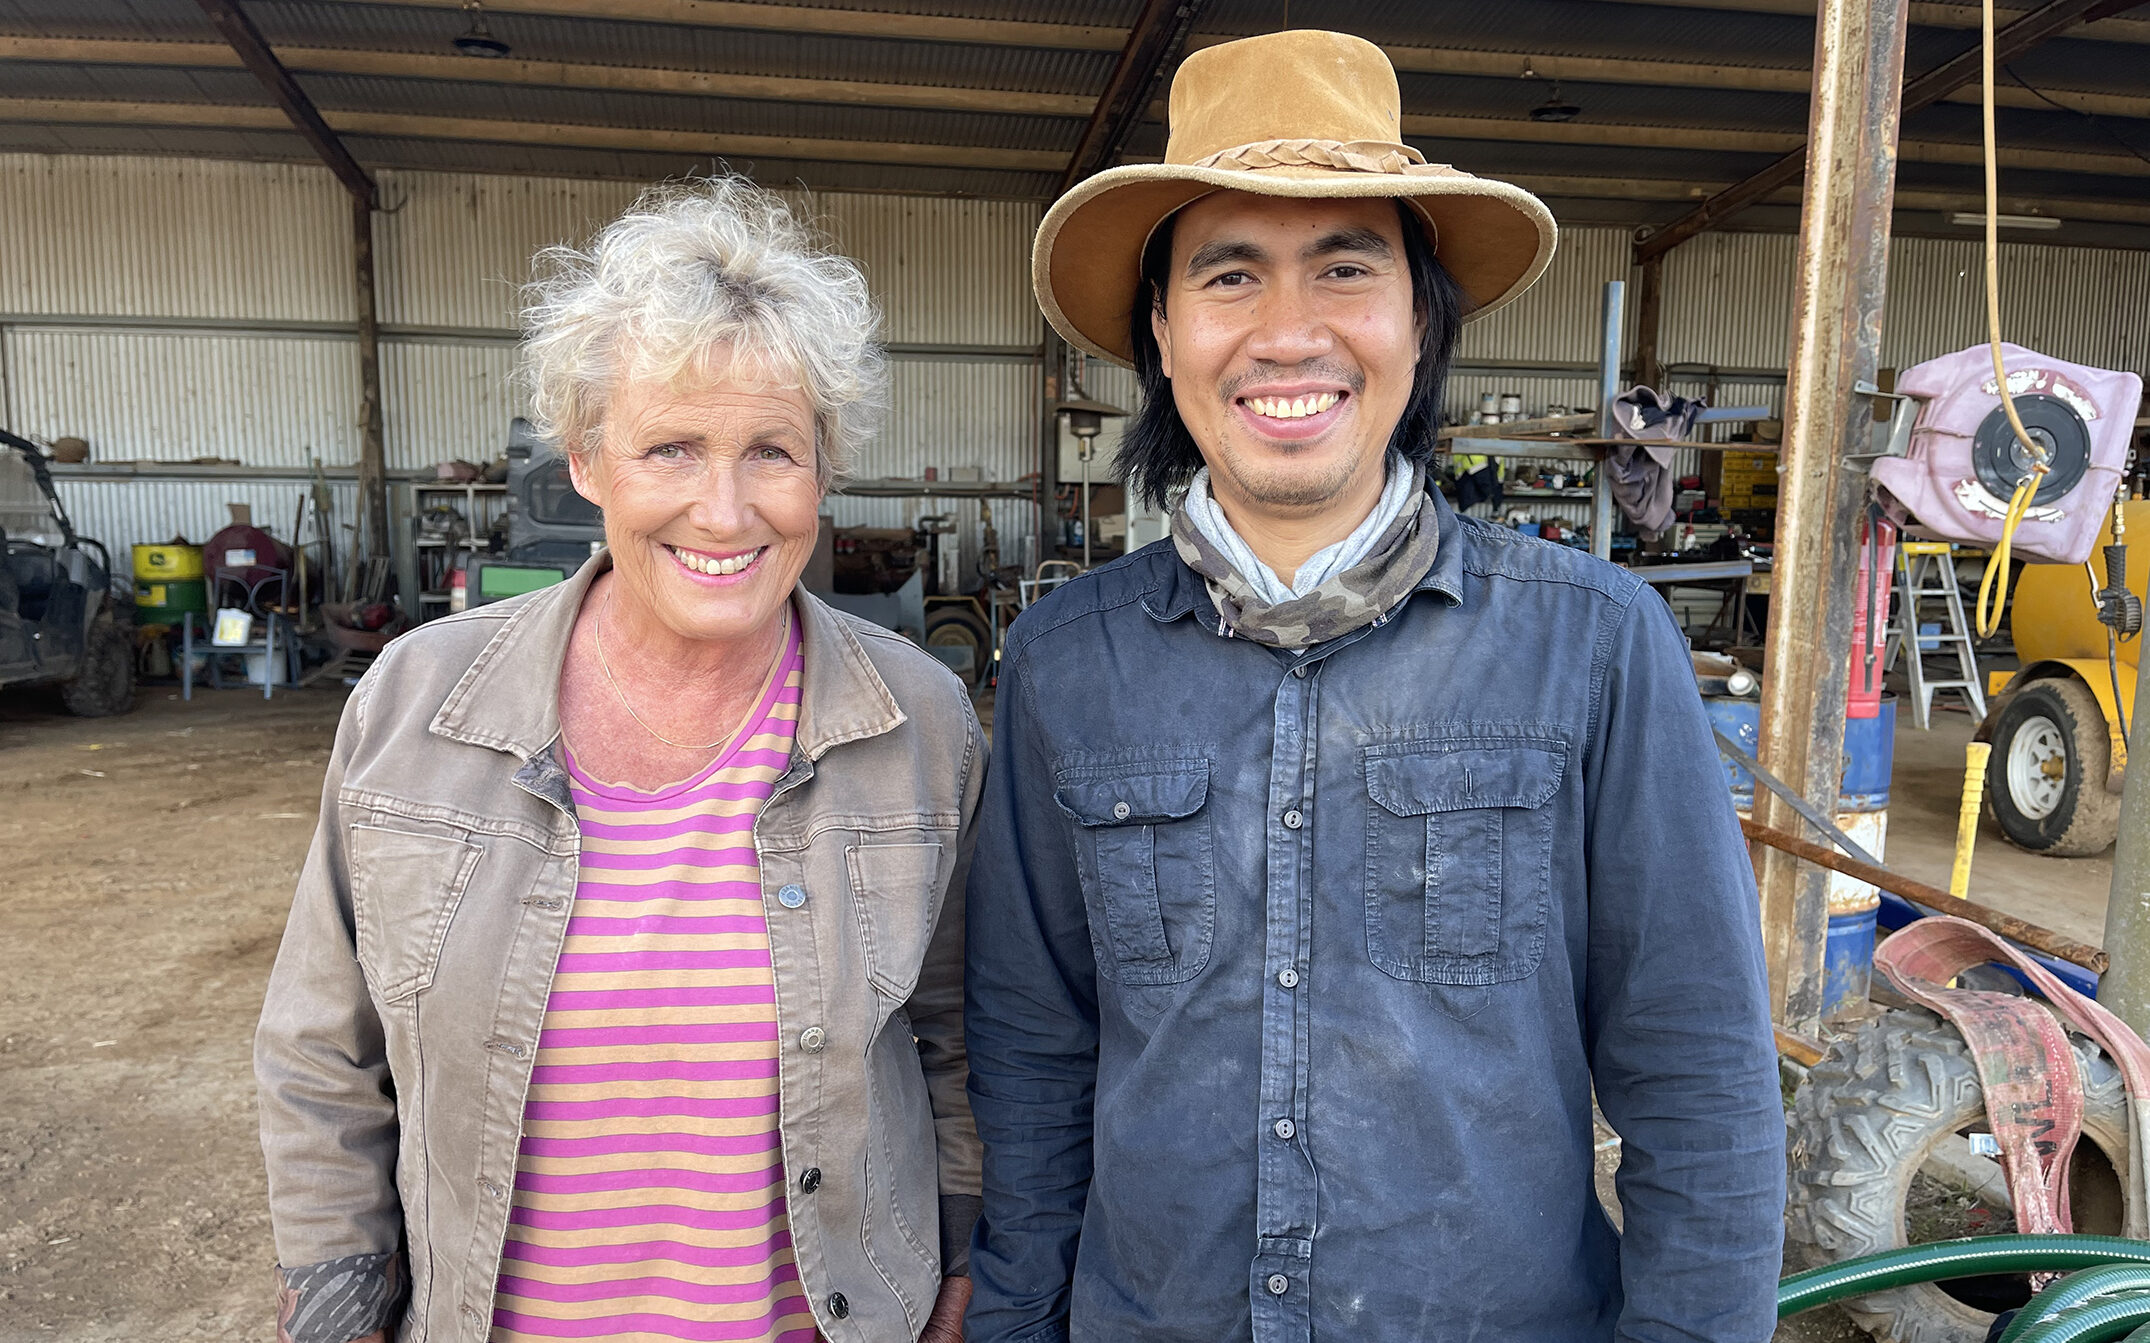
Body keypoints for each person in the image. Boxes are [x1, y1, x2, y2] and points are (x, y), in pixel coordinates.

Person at [964, 29, 1783, 1343]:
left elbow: (1696, 1069)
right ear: (1162, 333)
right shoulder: (1067, 660)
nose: (1288, 332)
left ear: (1418, 318)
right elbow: (1032, 1046)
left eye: (1344, 267)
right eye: (1228, 275)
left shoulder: (1593, 643)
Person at [256, 178, 982, 1343]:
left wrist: (956, 1274)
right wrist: (337, 1297)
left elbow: (955, 1042)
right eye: (670, 448)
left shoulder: (916, 723)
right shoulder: (416, 702)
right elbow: (320, 1047)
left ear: (823, 469)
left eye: (772, 452)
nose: (724, 508)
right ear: (586, 460)